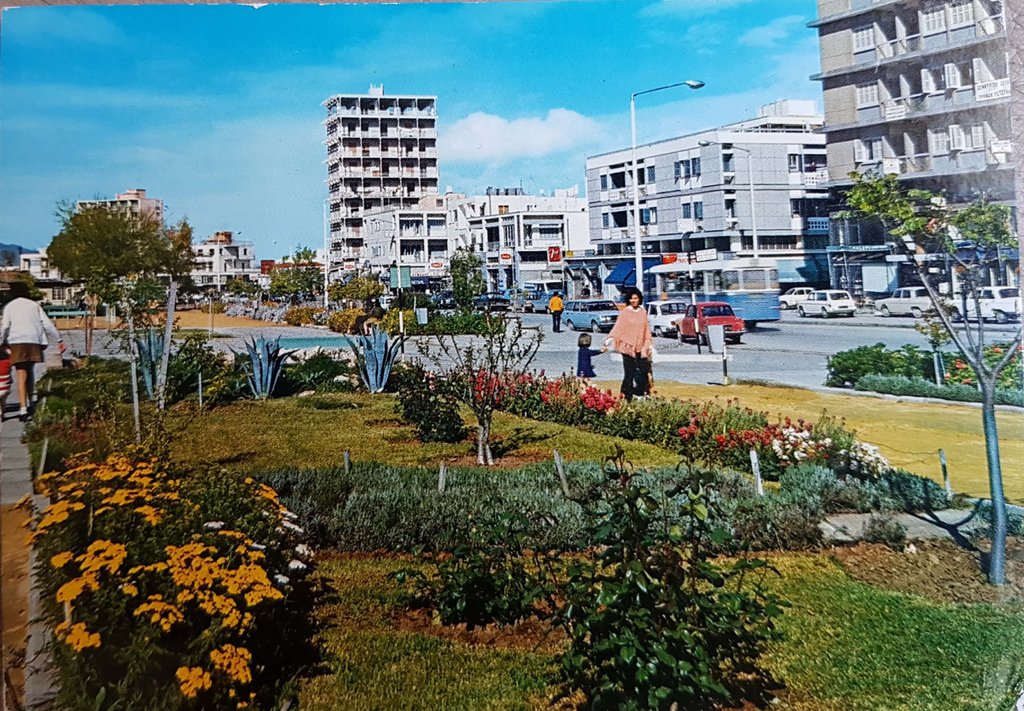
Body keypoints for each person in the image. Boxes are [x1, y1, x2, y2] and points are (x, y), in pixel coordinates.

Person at [1, 282, 65, 420]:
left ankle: (23, 409)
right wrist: (59, 340)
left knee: (21, 374)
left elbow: (5, 327)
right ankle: (31, 402)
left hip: (17, 341)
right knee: (29, 371)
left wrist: (1, 342)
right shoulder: (34, 305)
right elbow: (47, 323)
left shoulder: (10, 306)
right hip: (34, 341)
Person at [605, 287, 653, 401]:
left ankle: (641, 392)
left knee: (643, 371)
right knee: (629, 373)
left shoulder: (642, 312)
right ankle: (626, 395)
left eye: (635, 298)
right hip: (627, 347)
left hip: (641, 346)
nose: (633, 301)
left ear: (639, 299)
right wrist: (610, 338)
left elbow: (646, 329)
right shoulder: (625, 313)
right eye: (631, 299)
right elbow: (618, 327)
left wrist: (648, 343)